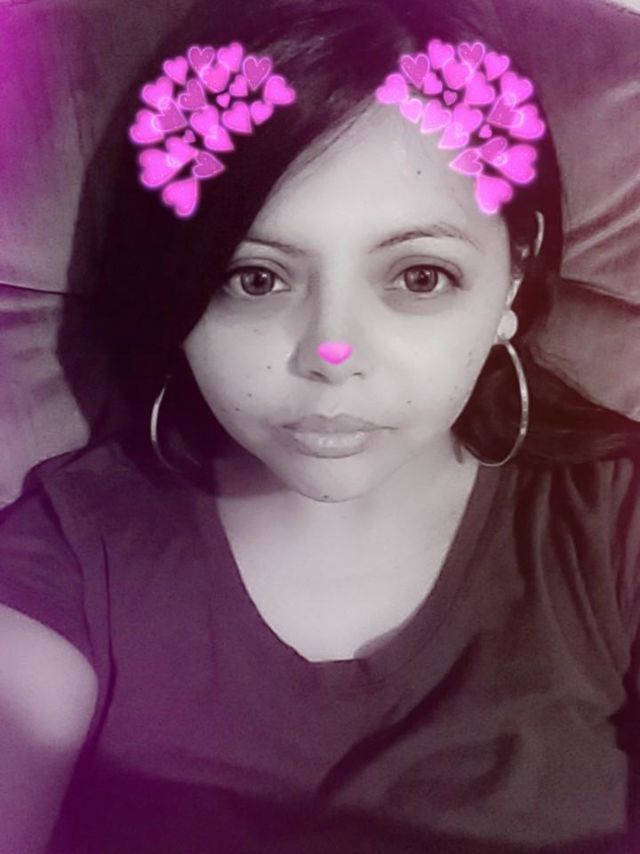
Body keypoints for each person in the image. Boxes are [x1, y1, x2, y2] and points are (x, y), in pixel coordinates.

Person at [1, 0, 640, 851]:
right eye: (254, 278)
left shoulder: (613, 521)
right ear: (176, 289)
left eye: (419, 276)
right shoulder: (74, 551)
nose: (332, 354)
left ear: (513, 281)